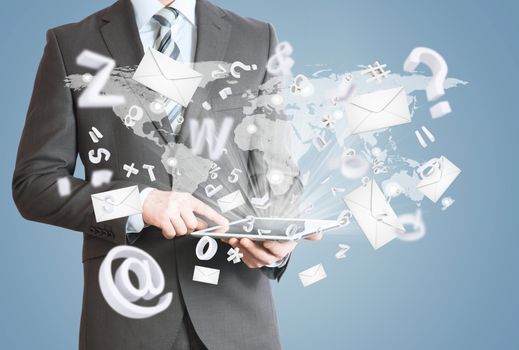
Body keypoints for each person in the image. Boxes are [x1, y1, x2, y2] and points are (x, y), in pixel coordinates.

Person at [13, 0, 321, 349]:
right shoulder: (71, 44)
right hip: (127, 316)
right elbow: (35, 184)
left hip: (238, 318)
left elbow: (278, 173)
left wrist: (278, 239)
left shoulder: (257, 38)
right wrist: (138, 203)